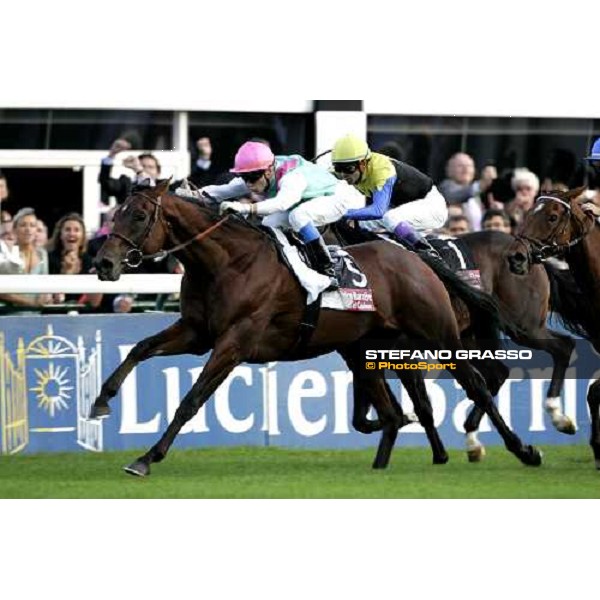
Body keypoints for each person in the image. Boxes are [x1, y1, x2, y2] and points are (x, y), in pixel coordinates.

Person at [215, 141, 364, 285]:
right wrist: (195, 195)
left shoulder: (292, 177)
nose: (248, 184)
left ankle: (327, 267)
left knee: (298, 216)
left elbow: (281, 203)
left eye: (252, 178)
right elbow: (222, 190)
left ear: (268, 171)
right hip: (309, 201)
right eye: (244, 178)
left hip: (339, 198)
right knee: (269, 224)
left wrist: (245, 208)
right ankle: (292, 264)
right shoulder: (266, 170)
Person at [330, 134, 447, 259]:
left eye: (348, 169)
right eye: (339, 168)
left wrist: (340, 212)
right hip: (403, 208)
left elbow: (378, 211)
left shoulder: (382, 170)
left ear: (363, 164)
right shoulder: (352, 169)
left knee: (390, 218)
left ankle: (429, 254)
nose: (343, 174)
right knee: (357, 224)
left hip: (431, 207)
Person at [0, 207, 54, 309]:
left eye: (32, 225)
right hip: (9, 313)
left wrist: (47, 298)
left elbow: (44, 285)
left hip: (37, 313)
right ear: (15, 229)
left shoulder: (42, 254)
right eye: (23, 225)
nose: (28, 229)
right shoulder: (6, 252)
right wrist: (30, 302)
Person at [99, 138, 162, 205]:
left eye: (150, 167)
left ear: (158, 172)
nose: (146, 170)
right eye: (142, 166)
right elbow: (105, 182)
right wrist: (111, 155)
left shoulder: (165, 187)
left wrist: (140, 171)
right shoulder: (125, 184)